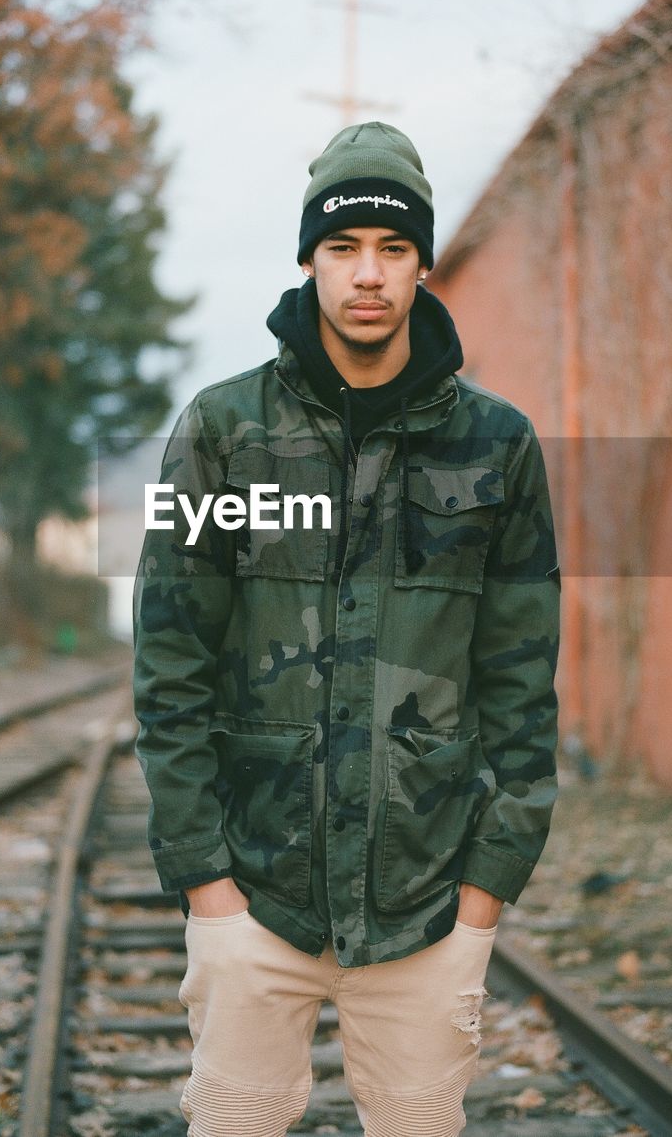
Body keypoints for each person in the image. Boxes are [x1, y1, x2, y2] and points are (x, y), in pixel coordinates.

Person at [132, 120, 561, 1136]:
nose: (367, 274)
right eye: (342, 246)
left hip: (424, 907)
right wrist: (206, 885)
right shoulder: (220, 432)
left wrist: (481, 899)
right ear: (308, 259)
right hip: (254, 901)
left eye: (392, 247)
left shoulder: (496, 445)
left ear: (420, 263)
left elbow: (521, 680)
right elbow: (168, 663)